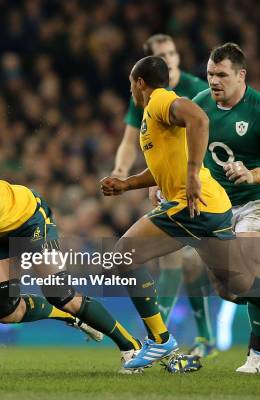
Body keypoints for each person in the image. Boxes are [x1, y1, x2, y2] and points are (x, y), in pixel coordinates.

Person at [0, 148, 143, 373]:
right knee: (6, 312)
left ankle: (131, 346)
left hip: (30, 222)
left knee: (61, 294)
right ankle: (69, 317)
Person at [101, 56, 258, 370]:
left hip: (191, 206)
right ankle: (162, 340)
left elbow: (199, 119)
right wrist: (127, 184)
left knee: (123, 255)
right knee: (237, 288)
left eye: (131, 84)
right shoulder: (152, 114)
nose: (130, 89)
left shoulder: (161, 100)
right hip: (212, 207)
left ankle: (159, 340)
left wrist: (191, 175)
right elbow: (160, 167)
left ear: (140, 83)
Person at [112, 34, 215, 356]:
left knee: (214, 271)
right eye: (162, 54)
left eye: (172, 52)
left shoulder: (198, 88)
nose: (169, 59)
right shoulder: (144, 97)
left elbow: (208, 126)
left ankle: (161, 337)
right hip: (177, 185)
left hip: (202, 182)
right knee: (185, 262)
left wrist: (192, 172)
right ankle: (194, 338)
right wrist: (122, 174)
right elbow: (133, 141)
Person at [192, 43, 260, 373]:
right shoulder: (200, 105)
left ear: (240, 75)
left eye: (221, 75)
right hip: (218, 207)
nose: (214, 81)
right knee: (227, 287)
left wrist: (253, 173)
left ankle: (257, 356)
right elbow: (176, 147)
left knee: (249, 270)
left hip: (255, 203)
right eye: (209, 74)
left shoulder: (258, 109)